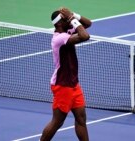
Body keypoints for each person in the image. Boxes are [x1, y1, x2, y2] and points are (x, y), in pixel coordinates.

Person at [40, 7, 92, 141]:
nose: (69, 21)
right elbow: (85, 36)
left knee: (81, 119)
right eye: (66, 19)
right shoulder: (60, 38)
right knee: (57, 122)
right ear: (59, 24)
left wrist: (74, 15)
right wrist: (72, 19)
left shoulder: (67, 30)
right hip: (63, 86)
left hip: (74, 84)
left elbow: (88, 24)